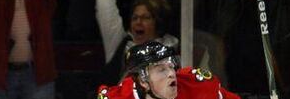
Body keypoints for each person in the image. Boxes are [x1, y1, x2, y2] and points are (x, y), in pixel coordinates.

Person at [97, 41, 240, 99]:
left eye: (171, 66)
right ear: (143, 80)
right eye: (161, 69)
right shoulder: (121, 97)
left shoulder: (195, 86)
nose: (172, 73)